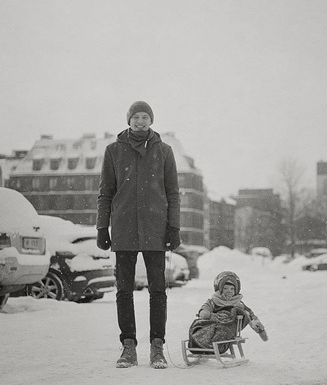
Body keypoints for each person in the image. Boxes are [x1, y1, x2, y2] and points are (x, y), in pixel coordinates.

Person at [96, 100, 181, 369]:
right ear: (129, 120)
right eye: (136, 117)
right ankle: (128, 347)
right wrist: (102, 227)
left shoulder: (164, 152)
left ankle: (157, 347)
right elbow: (105, 193)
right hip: (124, 230)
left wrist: (174, 227)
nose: (140, 121)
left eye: (145, 117)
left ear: (151, 120)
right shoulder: (113, 151)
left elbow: (174, 194)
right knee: (124, 291)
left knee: (158, 291)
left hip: (156, 231)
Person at [188, 271, 268, 353]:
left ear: (236, 290)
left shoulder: (238, 304)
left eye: (232, 288)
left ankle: (212, 345)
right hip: (212, 322)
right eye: (225, 288)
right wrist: (204, 312)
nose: (229, 291)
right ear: (220, 289)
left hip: (229, 326)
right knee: (199, 327)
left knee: (222, 331)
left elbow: (250, 315)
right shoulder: (214, 301)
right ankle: (199, 343)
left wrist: (260, 330)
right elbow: (206, 306)